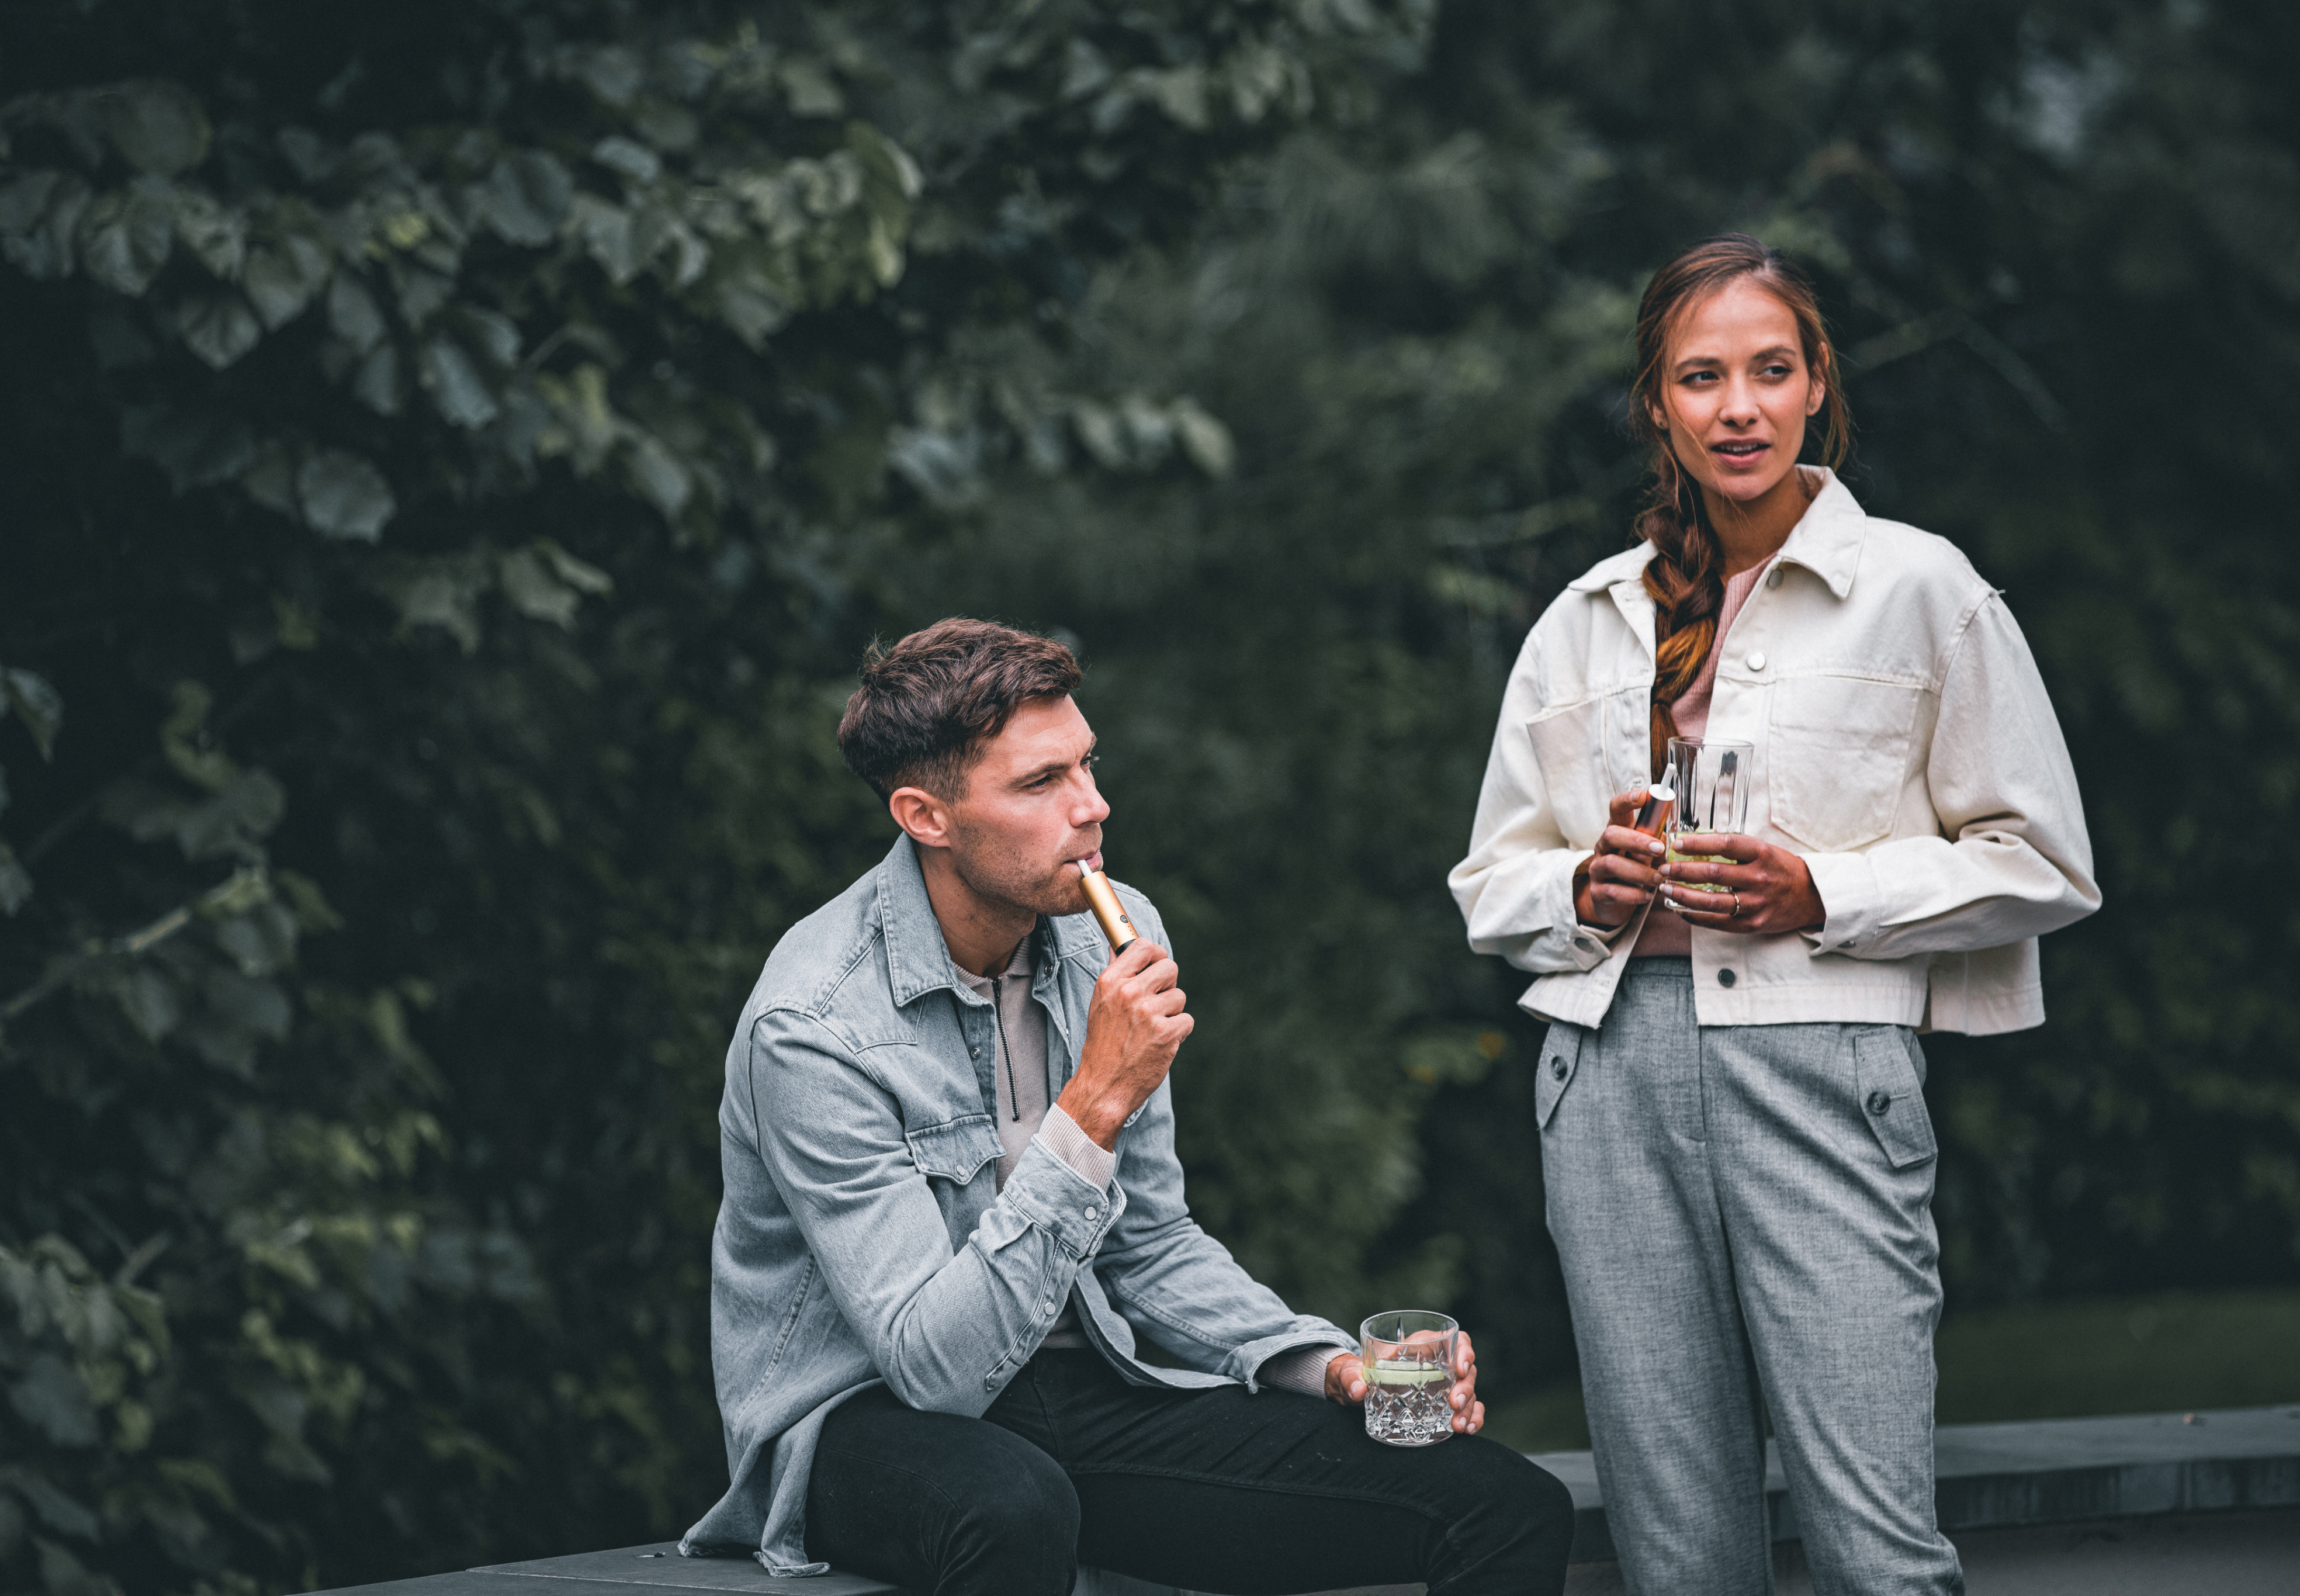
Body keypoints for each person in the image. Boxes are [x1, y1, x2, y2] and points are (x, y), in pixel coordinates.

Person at [1448, 234, 2100, 1596]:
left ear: (1815, 388)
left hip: (1822, 1066)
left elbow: (2042, 859)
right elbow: (1488, 884)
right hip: (1606, 1071)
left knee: (1874, 1541)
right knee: (1674, 1550)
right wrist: (1585, 886)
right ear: (1655, 407)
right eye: (1699, 377)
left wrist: (1824, 890)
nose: (1735, 406)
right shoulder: (1582, 621)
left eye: (1766, 370)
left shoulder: (1920, 589)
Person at [684, 618, 1575, 1595]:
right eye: (1041, 783)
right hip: (861, 1423)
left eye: (1086, 765)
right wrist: (1093, 1104)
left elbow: (1150, 1241)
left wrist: (1323, 1364)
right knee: (1011, 1509)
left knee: (1500, 1505)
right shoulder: (813, 1026)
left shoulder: (1108, 933)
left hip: (1080, 1389)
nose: (1093, 806)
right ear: (925, 816)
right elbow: (932, 1372)